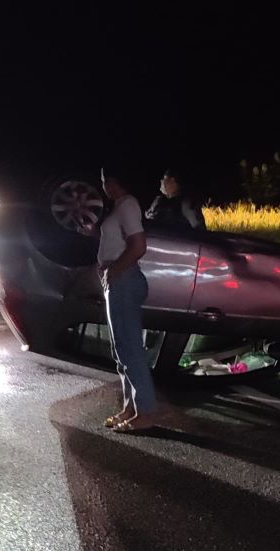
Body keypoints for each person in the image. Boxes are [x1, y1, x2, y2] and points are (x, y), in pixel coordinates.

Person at [81, 169, 159, 432]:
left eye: (105, 180)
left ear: (114, 181)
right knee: (121, 350)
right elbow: (117, 242)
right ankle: (131, 408)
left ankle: (146, 412)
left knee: (130, 349)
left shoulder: (128, 204)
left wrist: (115, 269)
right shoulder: (119, 207)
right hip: (117, 280)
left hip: (123, 280)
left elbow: (138, 245)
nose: (103, 185)